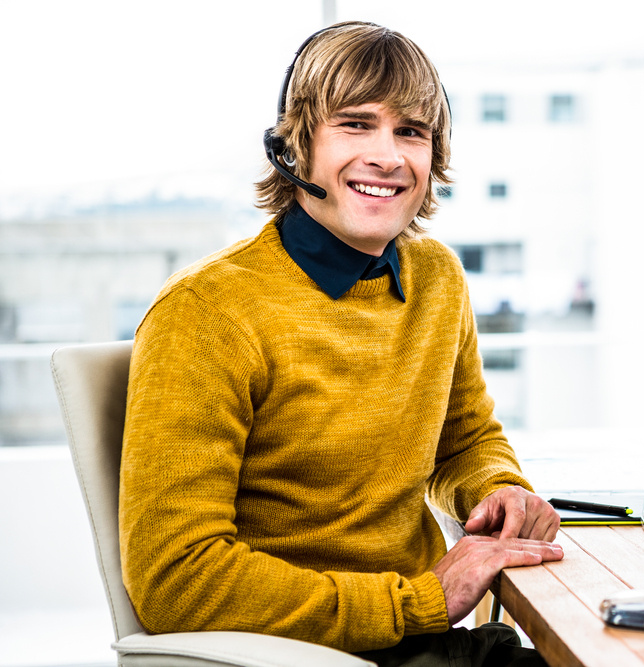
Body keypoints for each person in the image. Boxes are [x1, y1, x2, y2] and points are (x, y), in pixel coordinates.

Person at [119, 20, 563, 665]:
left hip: (416, 640)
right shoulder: (207, 311)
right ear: (295, 146)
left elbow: (464, 441)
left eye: (410, 131)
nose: (388, 155)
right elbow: (175, 580)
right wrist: (421, 600)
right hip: (297, 653)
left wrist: (495, 488)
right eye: (355, 124)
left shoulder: (435, 276)